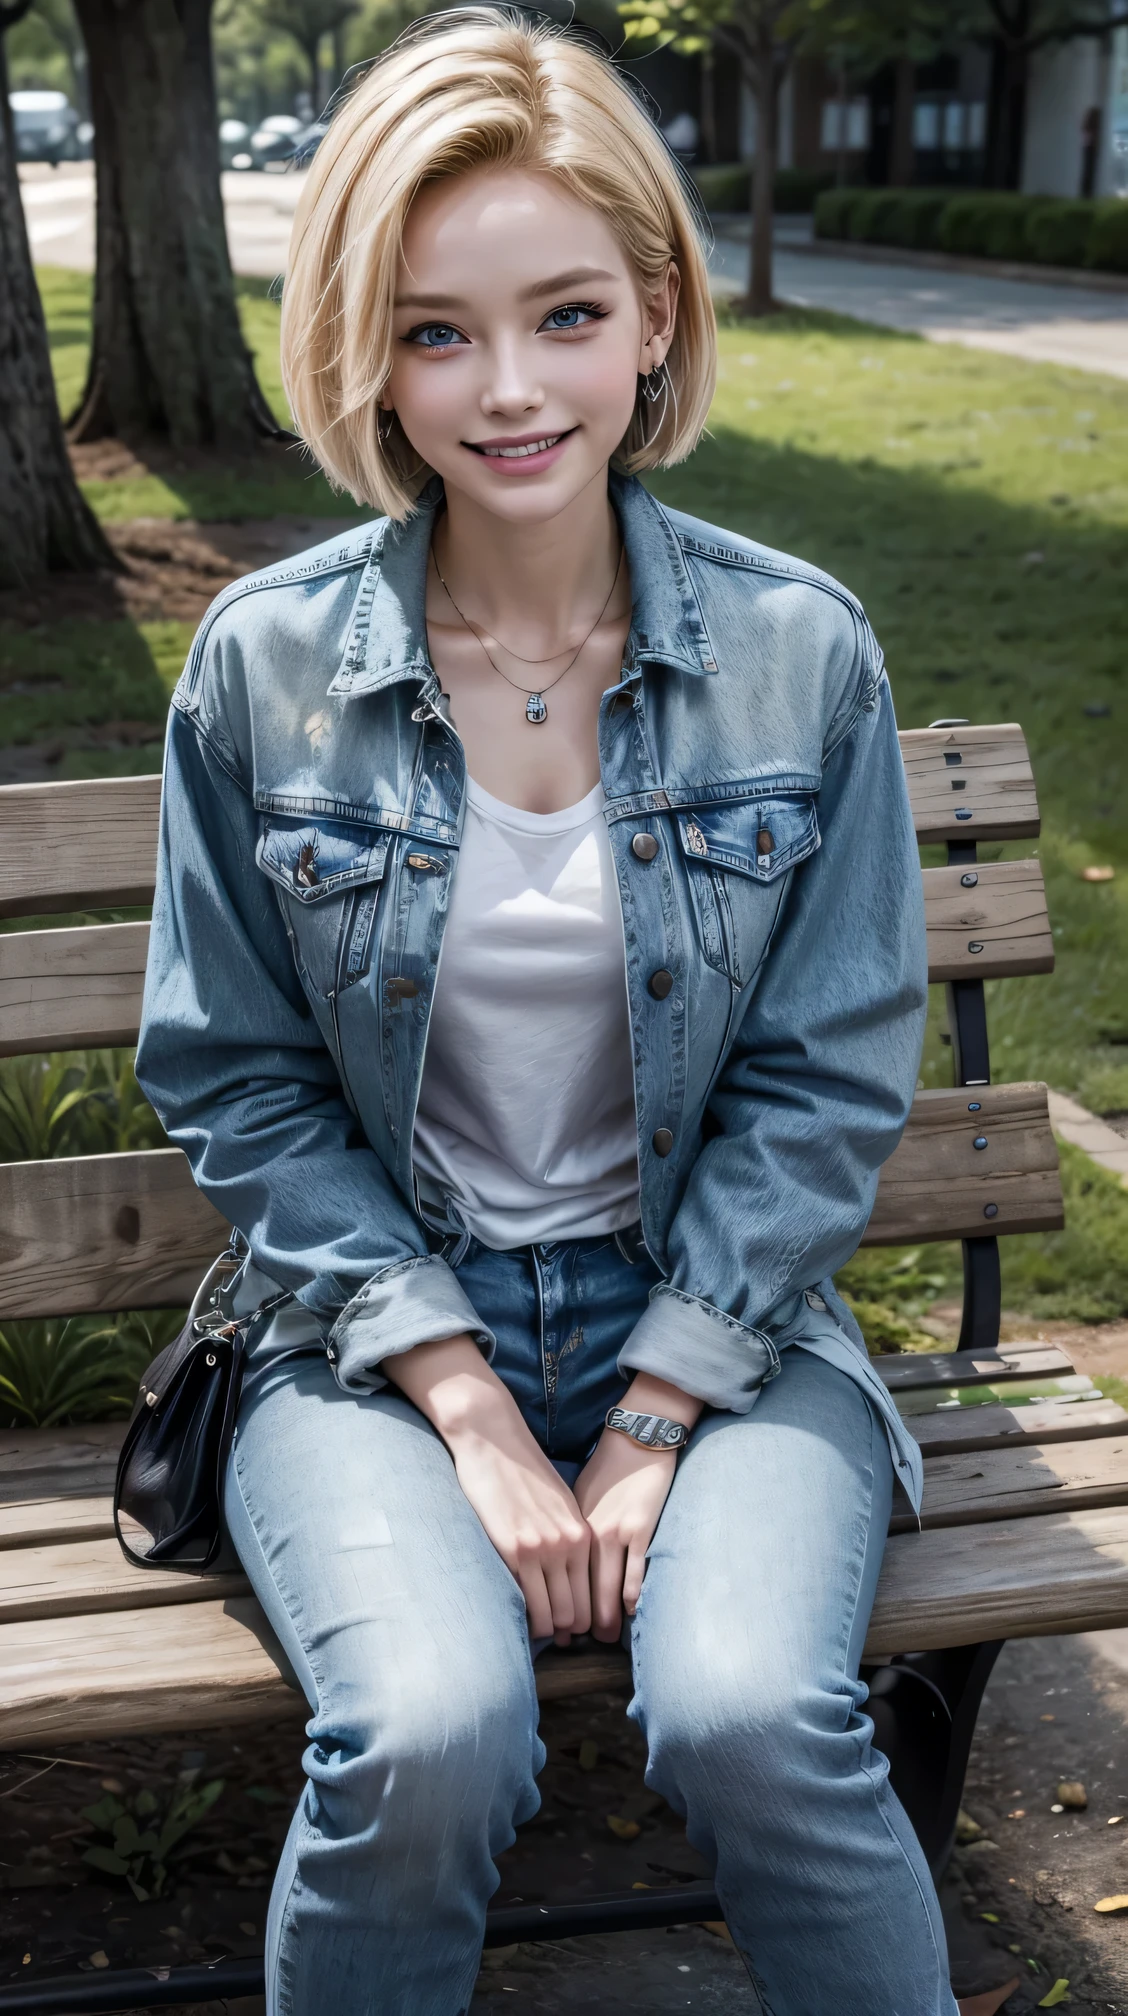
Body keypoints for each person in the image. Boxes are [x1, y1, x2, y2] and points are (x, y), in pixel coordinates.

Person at [135, 12, 953, 2013]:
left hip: (729, 1329)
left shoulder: (794, 656)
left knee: (759, 1711)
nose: (508, 390)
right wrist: (476, 1410)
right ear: (368, 352)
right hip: (366, 1346)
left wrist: (659, 1410)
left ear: (655, 318)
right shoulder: (265, 670)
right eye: (434, 334)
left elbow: (823, 1082)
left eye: (566, 313)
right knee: (424, 1731)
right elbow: (237, 1079)